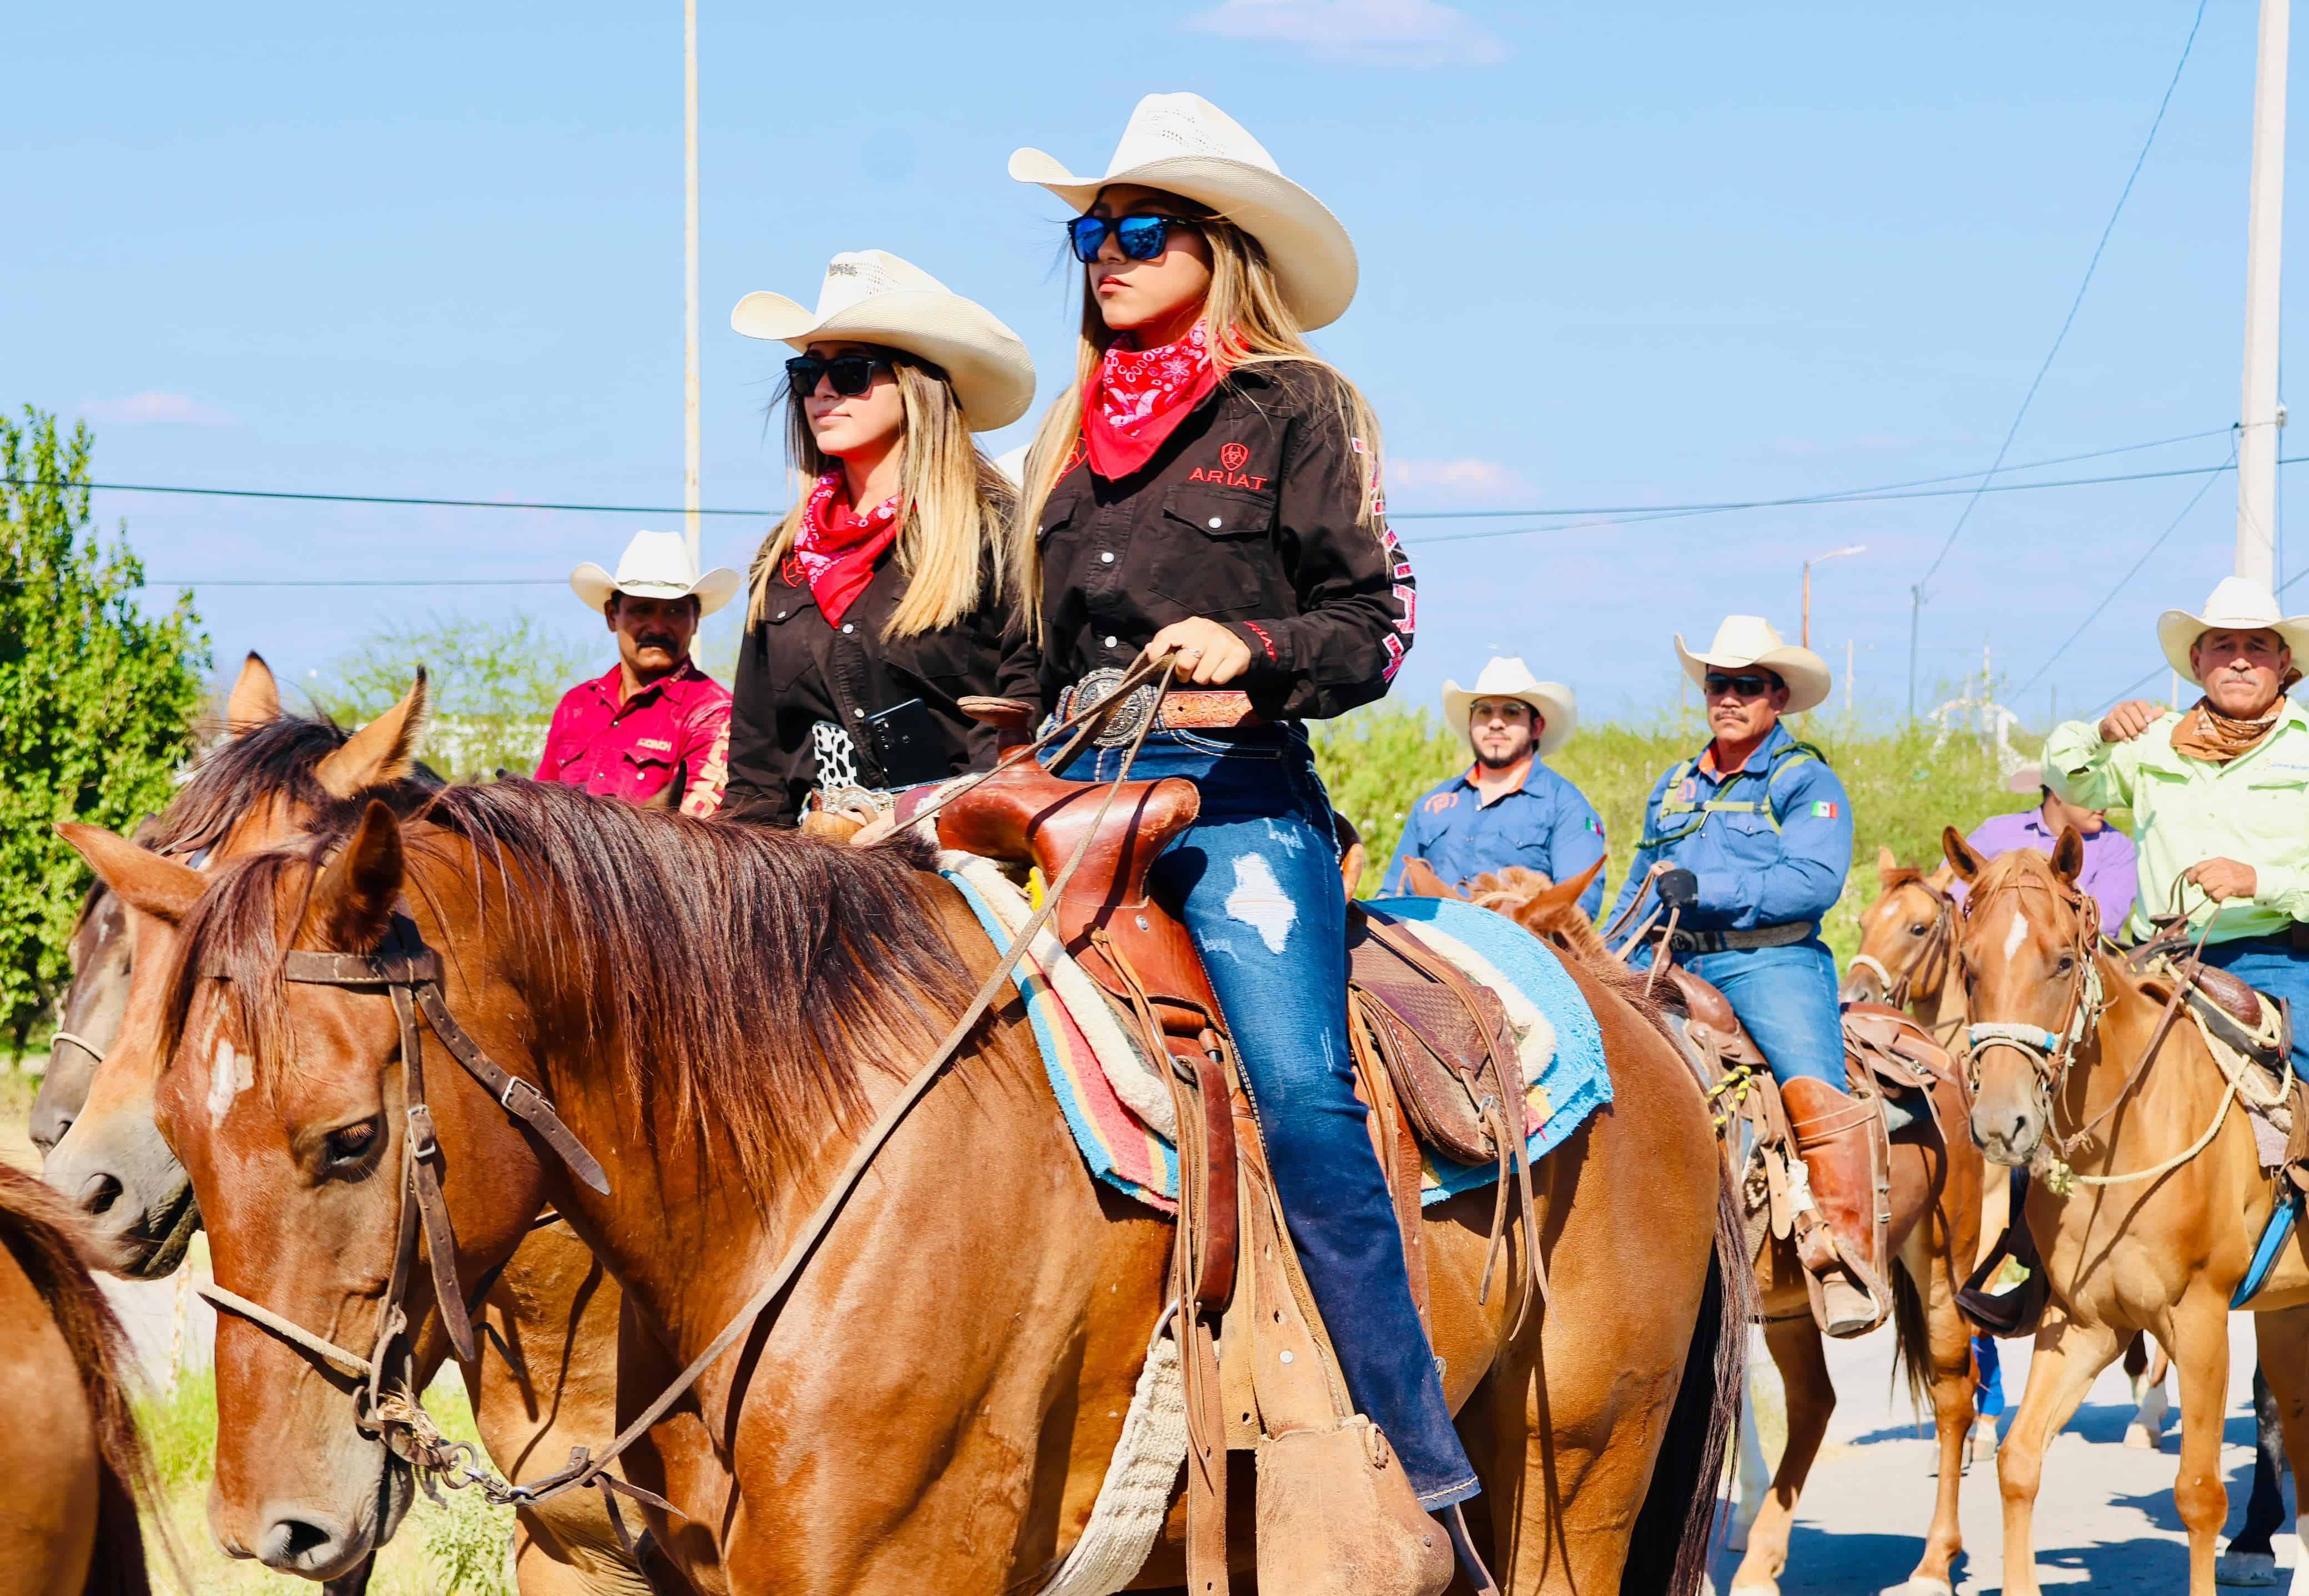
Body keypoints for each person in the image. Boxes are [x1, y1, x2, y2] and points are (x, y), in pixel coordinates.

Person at [996, 93, 1479, 1538]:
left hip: (1236, 801)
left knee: (1299, 1085)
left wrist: (1251, 651)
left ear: (1222, 248)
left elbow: (1376, 627)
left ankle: (1410, 1443)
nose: (1108, 255)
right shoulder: (1063, 443)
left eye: (1141, 231)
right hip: (1070, 794)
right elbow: (1021, 655)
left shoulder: (1300, 409)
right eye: (1093, 231)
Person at [1606, 615, 1883, 1334]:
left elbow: (1814, 880)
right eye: (1718, 684)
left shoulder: (1807, 780)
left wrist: (1709, 883)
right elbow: (1643, 880)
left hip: (1769, 961)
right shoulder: (1673, 786)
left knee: (1809, 1080)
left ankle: (1843, 1254)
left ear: (1778, 699)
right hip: (1670, 952)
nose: (1728, 698)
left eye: (1747, 687)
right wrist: (1601, 953)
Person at [719, 249, 1033, 826]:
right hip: (813, 861)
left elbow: (1026, 708)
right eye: (807, 373)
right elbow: (756, 768)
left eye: (851, 371)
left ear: (915, 386)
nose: (822, 391)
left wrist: (943, 823)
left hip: (959, 853)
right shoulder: (781, 560)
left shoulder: (994, 534)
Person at [2042, 574, 2309, 1113]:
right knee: (2043, 1059)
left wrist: (2260, 881)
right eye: (2222, 645)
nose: (2237, 659)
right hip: (2156, 956)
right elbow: (2069, 779)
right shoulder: (2150, 743)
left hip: (2270, 955)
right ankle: (2027, 1193)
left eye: (2256, 646)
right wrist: (2099, 734)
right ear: (2195, 660)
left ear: (2282, 665)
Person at [1384, 656, 1608, 916]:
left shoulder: (1566, 807)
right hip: (1424, 950)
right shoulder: (1432, 805)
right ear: (1471, 723)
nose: (1496, 722)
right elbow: (1393, 896)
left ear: (1537, 727)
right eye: (1484, 711)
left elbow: (1577, 910)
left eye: (1512, 711)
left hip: (1516, 951)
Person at [536, 529, 737, 816]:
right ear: (611, 616)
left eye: (675, 612)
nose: (657, 627)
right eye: (642, 610)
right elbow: (540, 813)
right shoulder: (576, 705)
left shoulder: (714, 713)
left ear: (695, 622)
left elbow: (695, 833)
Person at [1957, 763, 2138, 934]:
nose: (2104, 802)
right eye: (2094, 791)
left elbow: (2105, 919)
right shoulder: (1996, 832)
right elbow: (1952, 895)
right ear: (2060, 790)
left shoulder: (2117, 847)